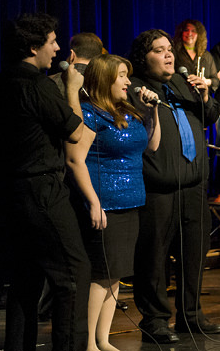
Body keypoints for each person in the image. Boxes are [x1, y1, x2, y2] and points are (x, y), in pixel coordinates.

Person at [0, 12, 91, 351]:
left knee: (26, 276)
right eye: (52, 42)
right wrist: (71, 89)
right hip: (42, 190)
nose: (57, 49)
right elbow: (75, 132)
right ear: (33, 47)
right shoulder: (37, 85)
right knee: (73, 272)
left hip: (9, 192)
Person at [126, 29, 220, 343]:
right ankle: (154, 319)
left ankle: (191, 316)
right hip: (157, 188)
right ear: (143, 58)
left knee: (194, 253)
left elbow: (210, 117)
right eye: (159, 50)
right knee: (153, 256)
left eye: (170, 49)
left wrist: (206, 96)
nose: (169, 55)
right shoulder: (135, 90)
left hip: (193, 185)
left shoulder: (184, 83)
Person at [65, 54, 161, 351]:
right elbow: (74, 159)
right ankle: (88, 344)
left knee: (114, 274)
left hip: (131, 201)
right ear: (106, 79)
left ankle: (103, 339)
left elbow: (153, 145)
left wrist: (152, 111)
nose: (128, 81)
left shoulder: (128, 111)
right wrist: (94, 202)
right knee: (101, 275)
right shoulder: (90, 114)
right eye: (122, 75)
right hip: (106, 204)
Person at [174, 19, 218, 92]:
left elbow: (216, 81)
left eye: (193, 31)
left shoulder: (206, 55)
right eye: (186, 30)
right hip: (181, 96)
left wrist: (206, 81)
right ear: (181, 33)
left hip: (202, 97)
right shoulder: (175, 53)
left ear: (199, 35)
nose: (189, 33)